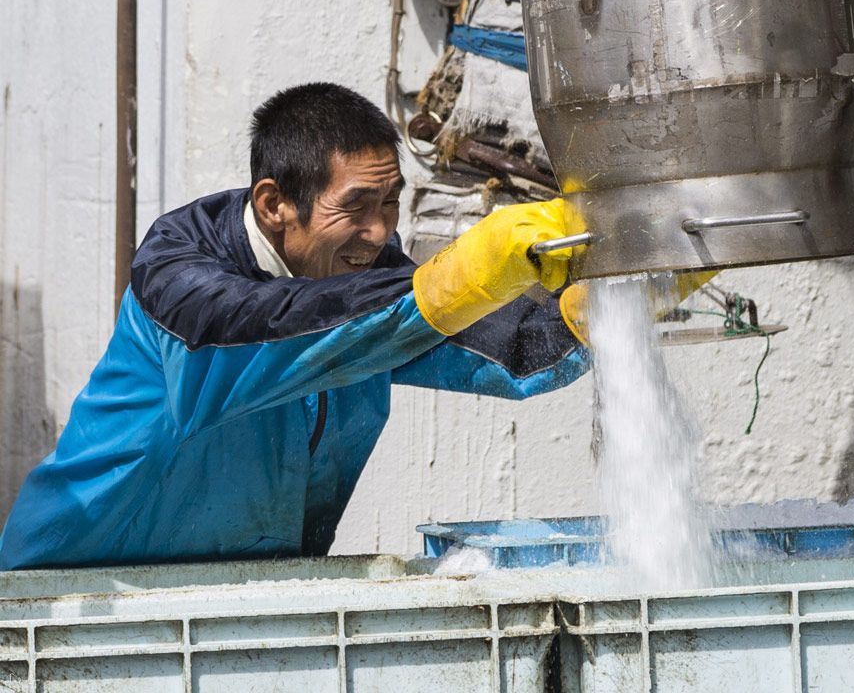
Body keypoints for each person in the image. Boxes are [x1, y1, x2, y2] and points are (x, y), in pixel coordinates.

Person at [0, 83, 591, 570]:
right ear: (273, 204)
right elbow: (268, 335)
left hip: (247, 599)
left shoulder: (371, 282)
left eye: (390, 203)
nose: (380, 232)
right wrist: (458, 275)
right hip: (72, 594)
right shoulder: (179, 280)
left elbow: (492, 348)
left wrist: (598, 308)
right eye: (356, 205)